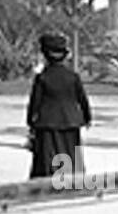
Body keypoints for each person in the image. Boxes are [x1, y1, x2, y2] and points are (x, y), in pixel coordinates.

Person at [26, 32, 91, 181]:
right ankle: (73, 182)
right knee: (71, 155)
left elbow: (34, 103)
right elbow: (82, 99)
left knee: (49, 158)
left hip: (48, 123)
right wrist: (87, 118)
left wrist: (30, 123)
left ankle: (50, 185)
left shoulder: (42, 77)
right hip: (70, 122)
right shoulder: (73, 76)